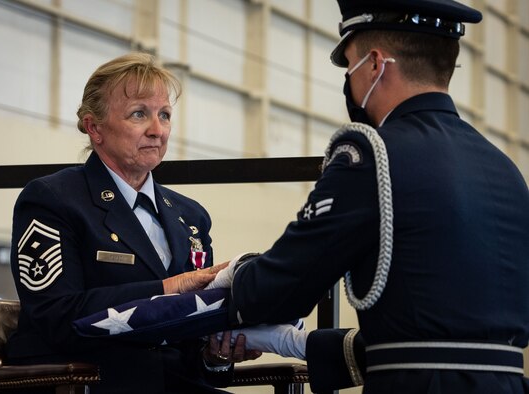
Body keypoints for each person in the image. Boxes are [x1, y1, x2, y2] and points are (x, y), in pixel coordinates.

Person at [211, 0, 529, 393]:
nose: (349, 79)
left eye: (349, 65)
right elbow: (433, 331)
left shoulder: (371, 156)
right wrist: (293, 342)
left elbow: (283, 288)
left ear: (375, 65)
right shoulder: (505, 170)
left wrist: (232, 276)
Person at [6, 52, 260, 394]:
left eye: (165, 115)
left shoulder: (191, 217)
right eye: (139, 114)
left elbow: (192, 345)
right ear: (95, 127)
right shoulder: (53, 199)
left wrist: (216, 356)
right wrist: (168, 288)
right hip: (89, 380)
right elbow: (56, 317)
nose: (157, 131)